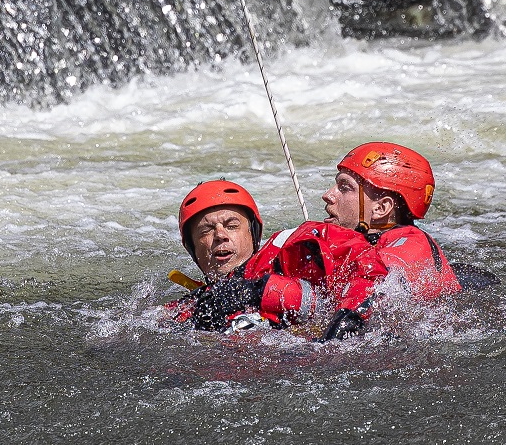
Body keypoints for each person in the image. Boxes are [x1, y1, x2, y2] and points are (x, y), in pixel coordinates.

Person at [165, 180, 384, 334]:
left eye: (232, 226)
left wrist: (258, 290)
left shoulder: (292, 247)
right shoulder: (191, 307)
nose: (220, 235)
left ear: (253, 235)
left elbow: (366, 267)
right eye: (206, 231)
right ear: (192, 248)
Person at [322, 142, 461, 307]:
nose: (328, 195)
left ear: (381, 208)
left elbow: (376, 289)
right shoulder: (366, 241)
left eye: (344, 188)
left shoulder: (411, 246)